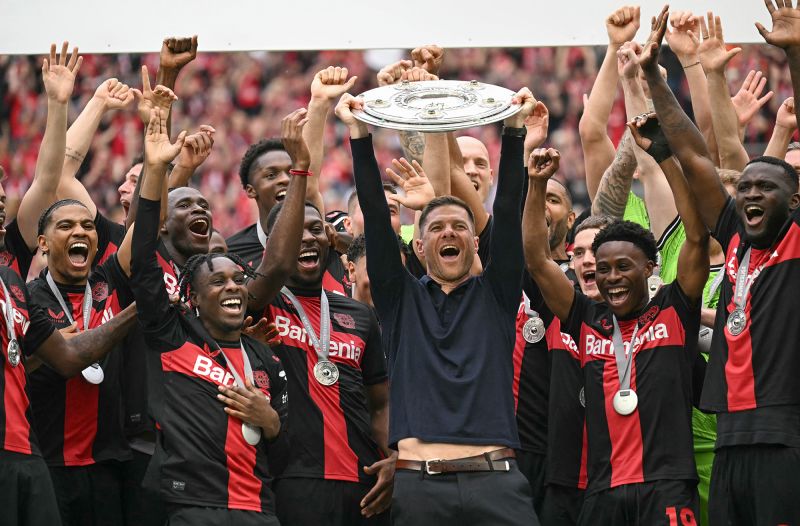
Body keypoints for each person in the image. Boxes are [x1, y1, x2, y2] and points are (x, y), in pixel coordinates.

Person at [338, 86, 540, 525]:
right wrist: (358, 135)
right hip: (421, 487)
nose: (450, 233)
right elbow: (375, 214)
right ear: (421, 245)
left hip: (497, 482)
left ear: (473, 241)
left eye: (460, 227)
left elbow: (506, 213)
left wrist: (514, 130)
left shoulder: (499, 294)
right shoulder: (399, 299)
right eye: (438, 228)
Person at [641, 3, 800, 522]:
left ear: (794, 201)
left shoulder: (797, 240)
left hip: (784, 436)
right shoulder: (734, 237)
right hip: (730, 435)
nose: (750, 194)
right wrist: (654, 80)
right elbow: (693, 156)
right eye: (745, 187)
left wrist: (794, 52)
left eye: (765, 189)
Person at [523, 80, 709, 524]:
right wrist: (535, 186)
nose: (610, 278)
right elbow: (535, 259)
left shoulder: (674, 308)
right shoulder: (585, 317)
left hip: (667, 487)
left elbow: (698, 237)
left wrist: (664, 155)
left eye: (623, 267)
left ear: (649, 268)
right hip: (601, 494)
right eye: (602, 269)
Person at [130, 107, 288, 525]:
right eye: (217, 283)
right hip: (193, 509)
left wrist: (269, 420)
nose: (233, 287)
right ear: (193, 299)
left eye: (238, 279)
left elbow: (287, 444)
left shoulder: (267, 358)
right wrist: (158, 173)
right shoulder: (172, 336)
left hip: (260, 510)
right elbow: (141, 259)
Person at [250, 123, 393, 522]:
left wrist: (395, 457)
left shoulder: (359, 315)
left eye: (316, 231)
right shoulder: (259, 302)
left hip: (364, 481)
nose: (307, 239)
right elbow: (274, 264)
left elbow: (380, 403)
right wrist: (299, 169)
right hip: (292, 481)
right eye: (295, 233)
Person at [27, 197, 136, 525]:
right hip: (48, 464)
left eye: (87, 225)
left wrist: (160, 169)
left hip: (109, 465)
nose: (80, 230)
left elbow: (143, 229)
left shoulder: (110, 280)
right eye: (66, 226)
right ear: (43, 243)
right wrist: (51, 352)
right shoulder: (28, 298)